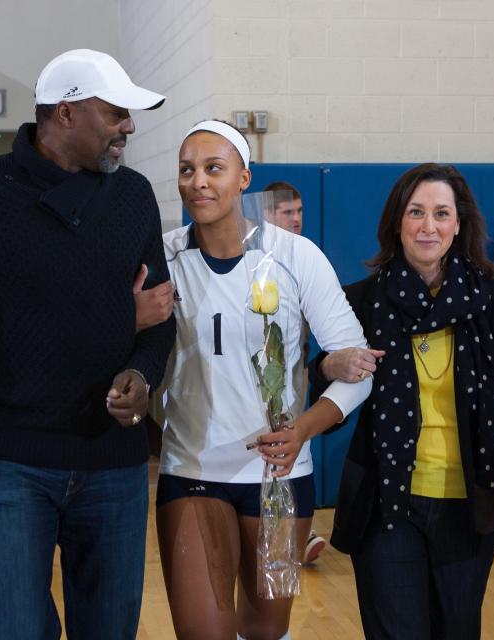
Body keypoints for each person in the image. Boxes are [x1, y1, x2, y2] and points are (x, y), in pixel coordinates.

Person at [0, 49, 176, 640]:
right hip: (12, 464)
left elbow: (159, 318)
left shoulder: (133, 196)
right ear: (64, 113)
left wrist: (142, 373)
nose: (129, 127)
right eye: (115, 114)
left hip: (116, 465)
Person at [310, 163, 494, 639]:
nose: (427, 225)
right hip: (387, 502)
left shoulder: (490, 303)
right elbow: (327, 404)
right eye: (416, 212)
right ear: (397, 222)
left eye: (440, 213)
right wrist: (329, 367)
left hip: (470, 502)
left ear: (458, 224)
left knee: (456, 629)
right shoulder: (363, 301)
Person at [156, 120, 377, 640]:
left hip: (280, 479)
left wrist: (303, 429)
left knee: (264, 631)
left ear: (243, 178)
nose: (198, 182)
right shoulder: (161, 257)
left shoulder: (296, 256)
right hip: (192, 471)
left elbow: (359, 369)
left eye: (214, 169)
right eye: (187, 170)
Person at [261, 180, 326, 565]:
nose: (298, 219)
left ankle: (302, 531)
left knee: (297, 448)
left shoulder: (306, 257)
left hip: (293, 375)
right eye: (289, 212)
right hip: (256, 377)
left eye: (300, 212)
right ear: (268, 214)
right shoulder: (252, 256)